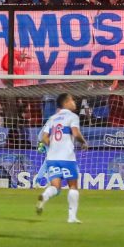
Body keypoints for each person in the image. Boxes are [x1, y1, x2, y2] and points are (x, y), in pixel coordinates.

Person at [35, 92, 87, 223]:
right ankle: (72, 217)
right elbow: (76, 133)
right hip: (67, 157)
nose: (74, 102)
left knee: (56, 187)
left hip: (52, 157)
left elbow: (44, 138)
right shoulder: (73, 117)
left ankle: (45, 195)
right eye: (72, 100)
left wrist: (53, 147)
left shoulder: (52, 118)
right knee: (73, 186)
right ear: (66, 102)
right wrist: (84, 142)